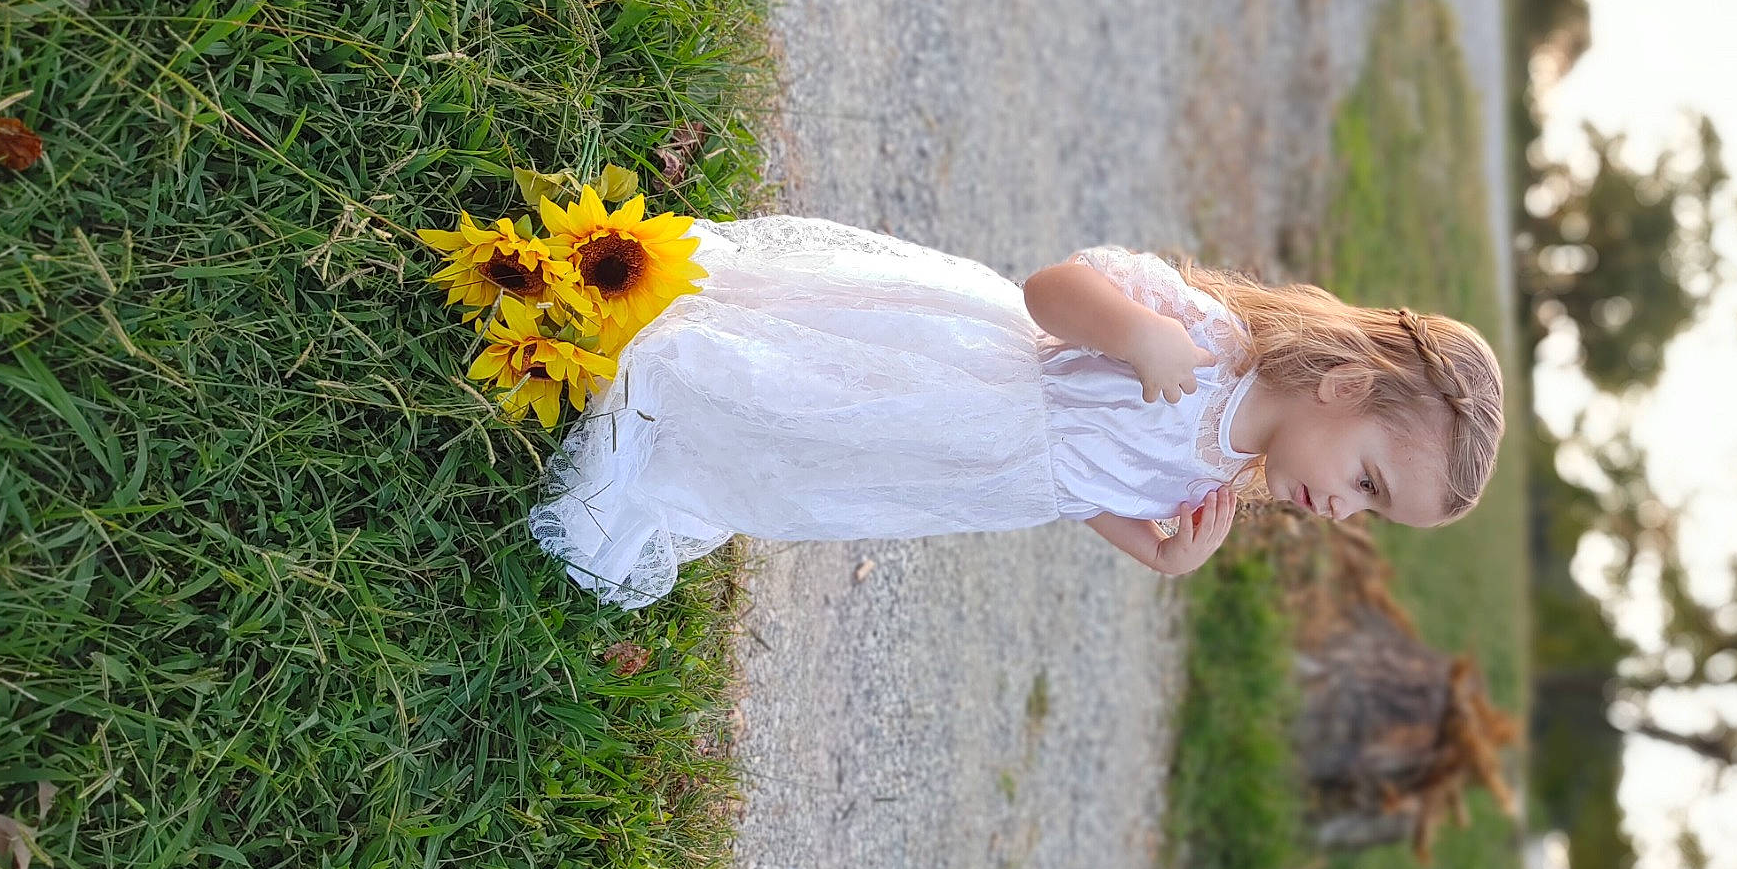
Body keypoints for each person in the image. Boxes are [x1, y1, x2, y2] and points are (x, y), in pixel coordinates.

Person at [529, 215, 1504, 609]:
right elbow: (1049, 291)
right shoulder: (1203, 345)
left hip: (963, 467)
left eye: (1369, 511)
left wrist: (1156, 549)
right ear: (1343, 388)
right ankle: (674, 383)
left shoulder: (1213, 477)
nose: (1343, 510)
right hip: (962, 379)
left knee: (821, 451)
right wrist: (1130, 332)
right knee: (822, 384)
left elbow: (1083, 480)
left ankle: (686, 453)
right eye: (1366, 479)